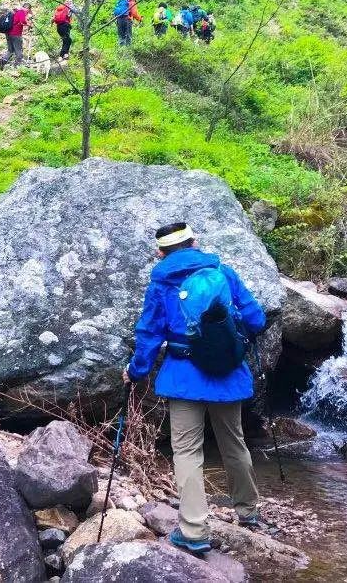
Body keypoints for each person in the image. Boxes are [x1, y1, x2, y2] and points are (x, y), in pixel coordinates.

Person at [122, 222, 267, 556]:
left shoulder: (161, 281)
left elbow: (149, 333)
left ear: (160, 252)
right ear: (194, 242)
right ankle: (248, 512)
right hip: (227, 375)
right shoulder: (223, 272)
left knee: (187, 451)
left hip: (184, 375)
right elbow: (256, 320)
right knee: (234, 442)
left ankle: (194, 531)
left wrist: (135, 371)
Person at [0, 3, 32, 69]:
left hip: (8, 32)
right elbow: (22, 21)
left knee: (10, 50)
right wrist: (29, 24)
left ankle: (3, 61)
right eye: (28, 10)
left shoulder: (15, 11)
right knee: (18, 49)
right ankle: (18, 66)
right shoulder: (22, 11)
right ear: (27, 8)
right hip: (15, 34)